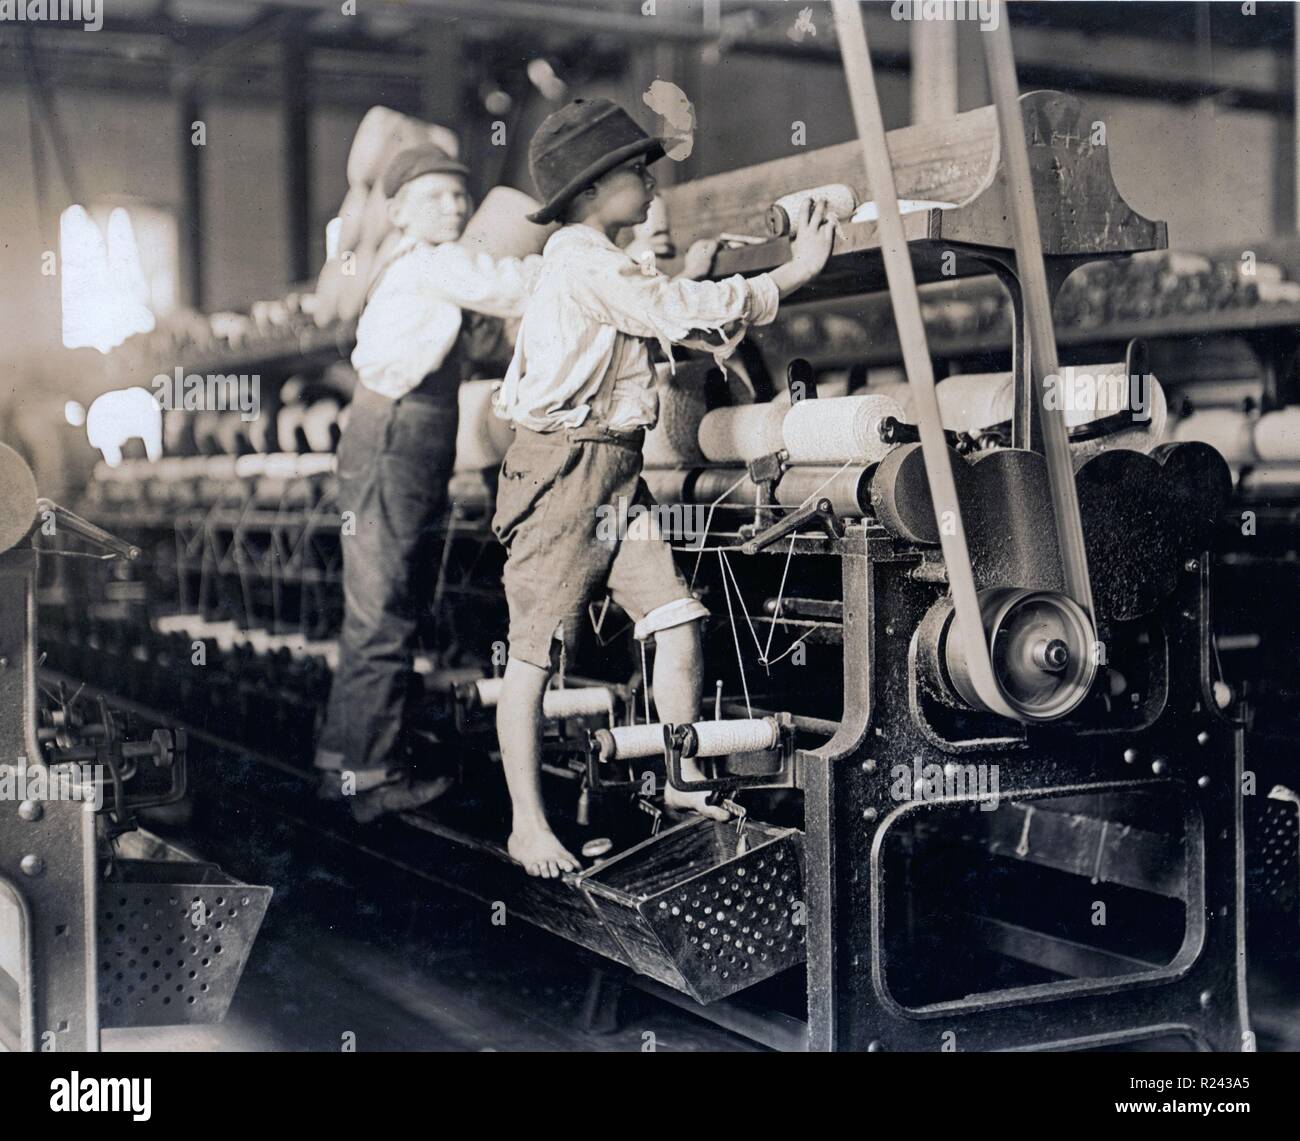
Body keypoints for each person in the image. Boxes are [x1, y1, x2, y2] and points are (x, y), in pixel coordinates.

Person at [491, 98, 835, 876]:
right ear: (587, 193)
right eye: (635, 172)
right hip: (562, 472)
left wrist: (710, 273)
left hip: (614, 468)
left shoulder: (607, 260)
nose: (651, 183)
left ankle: (681, 775)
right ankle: (525, 824)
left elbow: (673, 306)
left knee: (677, 618)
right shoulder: (584, 260)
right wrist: (793, 273)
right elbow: (677, 312)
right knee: (534, 656)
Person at [316, 143, 541, 823]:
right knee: (384, 609)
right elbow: (515, 285)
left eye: (458, 194)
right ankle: (372, 778)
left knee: (380, 606)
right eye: (435, 196)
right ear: (398, 211)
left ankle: (345, 764)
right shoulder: (433, 262)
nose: (453, 205)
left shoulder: (407, 264)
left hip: (392, 434)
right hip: (398, 437)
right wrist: (587, 259)